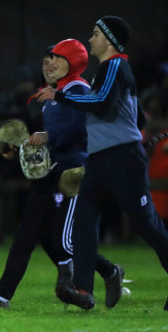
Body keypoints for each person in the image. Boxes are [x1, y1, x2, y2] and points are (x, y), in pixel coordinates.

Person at [36, 16, 168, 311]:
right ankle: (83, 288)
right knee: (84, 220)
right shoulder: (110, 69)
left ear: (108, 40)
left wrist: (60, 96)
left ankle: (92, 282)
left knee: (146, 225)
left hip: (121, 159)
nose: (91, 38)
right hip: (102, 159)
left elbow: (102, 103)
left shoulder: (114, 65)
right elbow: (137, 116)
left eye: (95, 34)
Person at [0, 39, 123, 310]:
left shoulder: (78, 90)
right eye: (46, 61)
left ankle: (101, 274)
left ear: (74, 62)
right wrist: (11, 146)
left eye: (57, 59)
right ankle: (1, 298)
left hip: (72, 176)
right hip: (47, 178)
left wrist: (47, 135)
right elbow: (34, 134)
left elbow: (79, 131)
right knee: (26, 238)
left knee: (63, 240)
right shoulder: (46, 96)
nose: (49, 65)